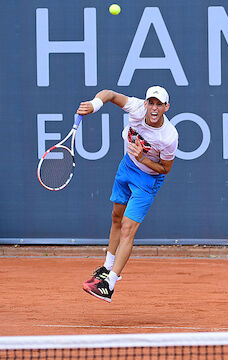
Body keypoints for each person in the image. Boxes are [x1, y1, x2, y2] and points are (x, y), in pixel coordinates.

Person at [77, 86, 178, 303]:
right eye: (151, 102)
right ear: (145, 104)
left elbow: (165, 169)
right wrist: (94, 105)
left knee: (127, 228)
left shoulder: (169, 137)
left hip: (148, 179)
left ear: (166, 107)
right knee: (116, 217)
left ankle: (110, 284)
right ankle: (106, 267)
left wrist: (143, 159)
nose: (154, 108)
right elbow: (110, 94)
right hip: (127, 167)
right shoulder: (136, 108)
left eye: (159, 104)